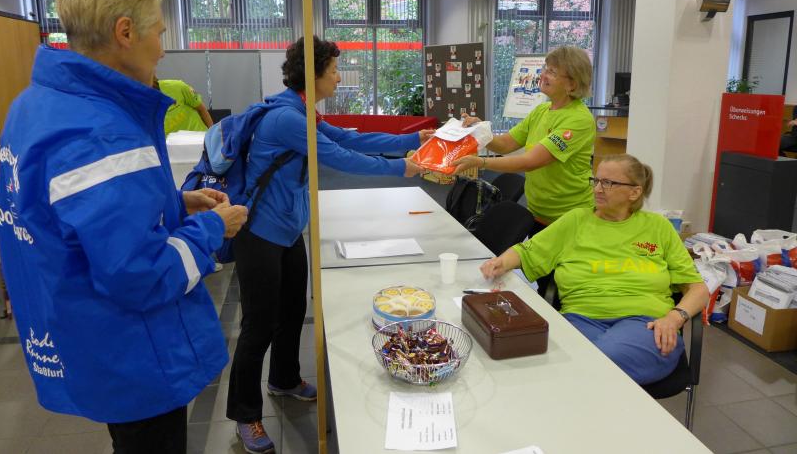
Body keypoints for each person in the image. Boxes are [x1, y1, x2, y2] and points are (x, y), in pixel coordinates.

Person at [0, 0, 249, 454]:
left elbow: (70, 215)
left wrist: (173, 204)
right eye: (159, 31)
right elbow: (142, 275)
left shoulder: (34, 106)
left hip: (84, 337)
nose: (162, 48)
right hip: (135, 352)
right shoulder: (104, 133)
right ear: (126, 31)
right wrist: (212, 228)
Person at [226, 36, 432, 453]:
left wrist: (413, 140)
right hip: (259, 233)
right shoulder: (287, 118)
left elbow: (351, 139)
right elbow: (339, 157)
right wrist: (401, 169)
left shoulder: (303, 110)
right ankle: (245, 415)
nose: (339, 77)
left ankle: (284, 379)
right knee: (258, 327)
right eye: (334, 69)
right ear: (313, 73)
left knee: (291, 312)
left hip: (286, 231)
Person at [480, 154, 709, 385]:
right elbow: (527, 251)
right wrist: (501, 262)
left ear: (634, 192)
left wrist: (675, 318)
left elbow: (698, 289)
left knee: (580, 363)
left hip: (645, 324)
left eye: (608, 183)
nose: (598, 189)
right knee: (552, 359)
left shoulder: (658, 227)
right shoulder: (576, 220)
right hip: (580, 319)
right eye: (596, 180)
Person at [453, 46, 596, 237]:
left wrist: (481, 162)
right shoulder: (541, 111)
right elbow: (505, 144)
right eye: (545, 68)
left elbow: (530, 162)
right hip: (538, 212)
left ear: (572, 84)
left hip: (569, 216)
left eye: (552, 72)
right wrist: (479, 130)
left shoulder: (578, 119)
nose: (543, 75)